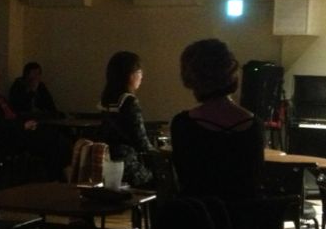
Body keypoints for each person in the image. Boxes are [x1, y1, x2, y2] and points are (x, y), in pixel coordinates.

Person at [169, 39, 265, 200]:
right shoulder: (255, 125)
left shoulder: (183, 125)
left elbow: (185, 182)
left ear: (192, 77)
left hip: (200, 213)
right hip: (243, 214)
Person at [0, 62, 69, 180]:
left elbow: (14, 114)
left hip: (16, 130)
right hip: (7, 137)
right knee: (52, 140)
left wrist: (26, 123)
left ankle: (58, 174)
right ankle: (55, 176)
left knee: (56, 137)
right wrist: (22, 126)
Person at [97, 51, 155, 188]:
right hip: (126, 165)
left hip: (106, 163)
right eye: (139, 72)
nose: (142, 76)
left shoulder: (105, 100)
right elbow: (141, 142)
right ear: (130, 75)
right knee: (161, 179)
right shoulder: (129, 101)